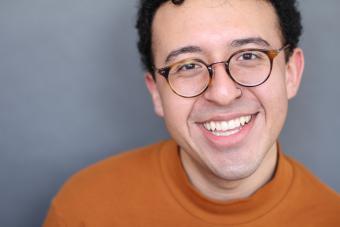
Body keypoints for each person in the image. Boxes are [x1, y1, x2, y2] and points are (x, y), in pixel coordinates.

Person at [44, 0, 340, 226]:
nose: (222, 94)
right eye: (187, 65)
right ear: (156, 93)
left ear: (291, 74)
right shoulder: (82, 210)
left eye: (249, 55)